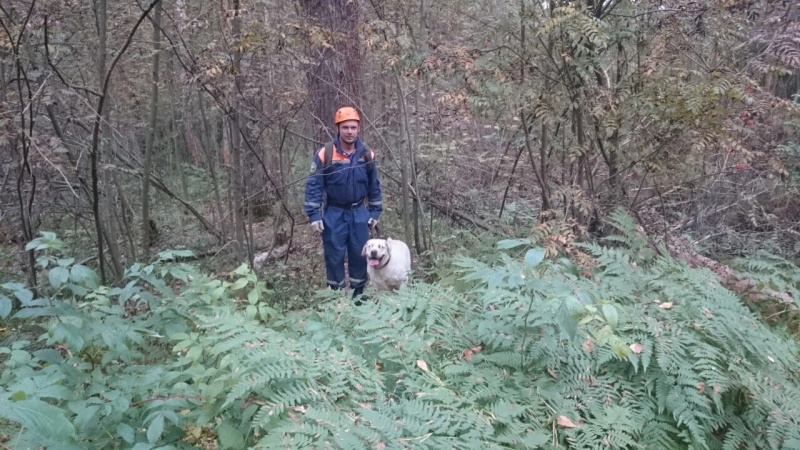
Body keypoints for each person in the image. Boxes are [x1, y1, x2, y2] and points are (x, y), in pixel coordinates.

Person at [304, 107, 382, 300]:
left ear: (358, 129)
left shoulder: (366, 155)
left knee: (359, 255)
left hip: (359, 213)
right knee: (334, 256)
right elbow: (314, 185)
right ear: (338, 128)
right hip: (334, 213)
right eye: (345, 127)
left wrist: (375, 212)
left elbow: (374, 185)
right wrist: (314, 216)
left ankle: (359, 302)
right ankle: (336, 302)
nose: (349, 131)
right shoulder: (326, 154)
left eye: (353, 127)